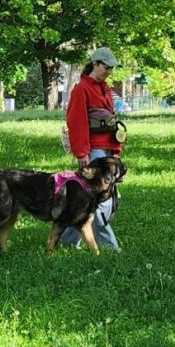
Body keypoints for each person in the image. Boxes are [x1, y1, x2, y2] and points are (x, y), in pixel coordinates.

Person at [60, 46, 124, 252]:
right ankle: (109, 247)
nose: (109, 72)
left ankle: (67, 241)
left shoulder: (104, 88)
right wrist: (82, 154)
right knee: (101, 202)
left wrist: (115, 150)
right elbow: (77, 123)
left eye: (111, 68)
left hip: (108, 150)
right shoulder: (81, 89)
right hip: (94, 151)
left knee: (96, 200)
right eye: (106, 67)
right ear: (95, 64)